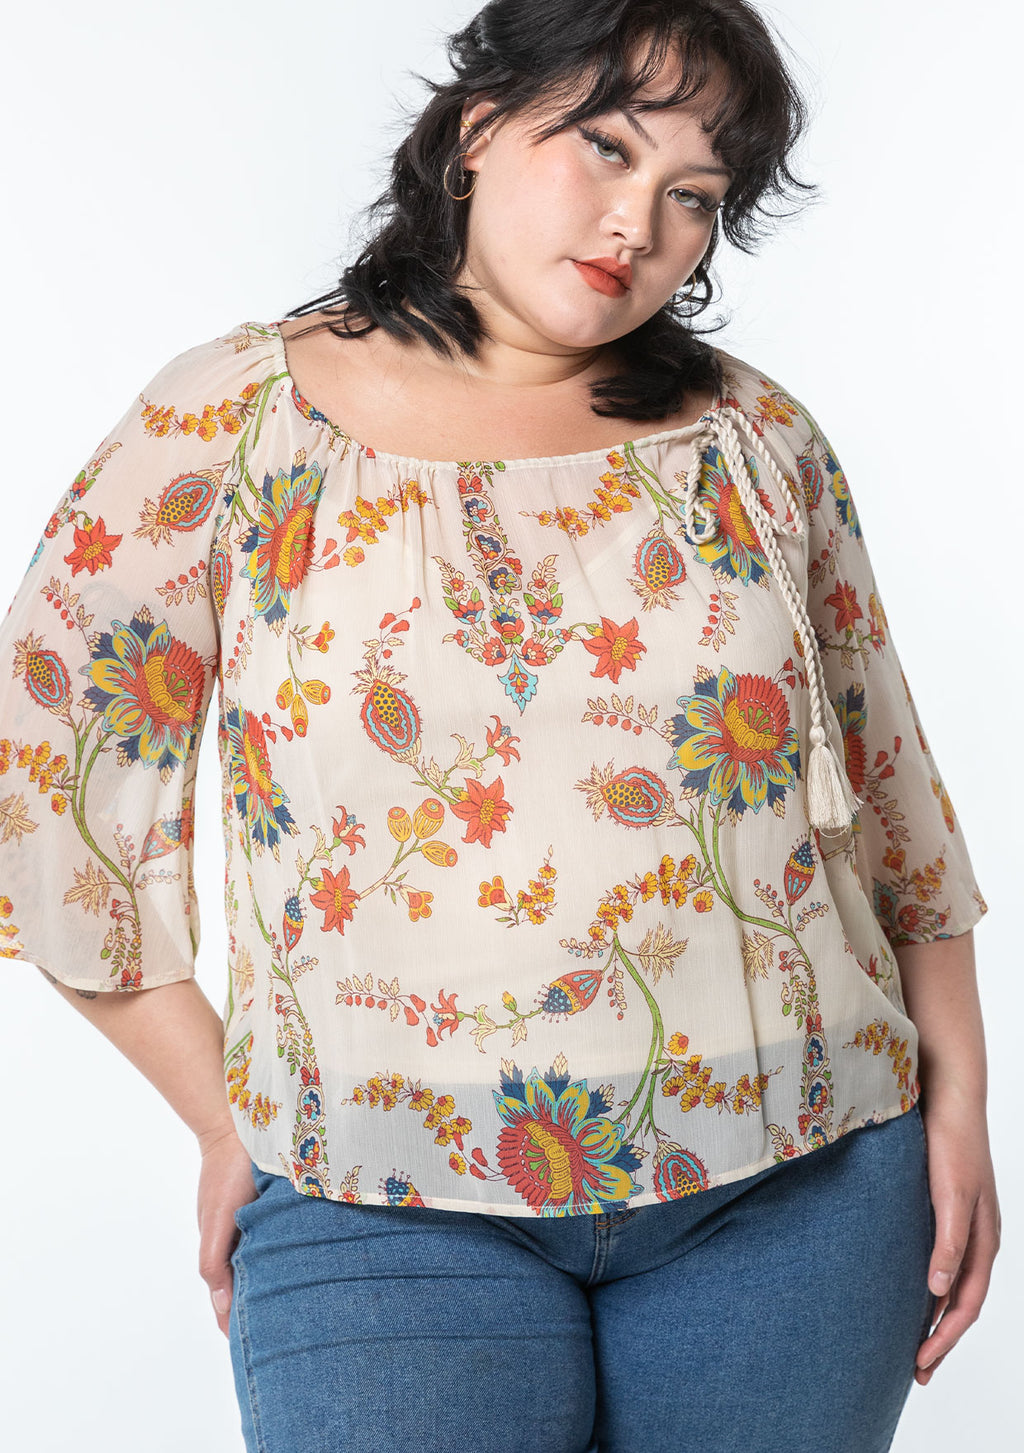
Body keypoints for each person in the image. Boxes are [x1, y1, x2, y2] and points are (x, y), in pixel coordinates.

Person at [0, 1, 1000, 1449]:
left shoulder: (757, 440)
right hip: (376, 1201)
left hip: (803, 1182)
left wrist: (961, 1102)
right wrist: (228, 1120)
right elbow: (47, 793)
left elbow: (889, 790)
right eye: (608, 149)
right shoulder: (232, 422)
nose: (637, 223)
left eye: (695, 196)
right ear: (477, 127)